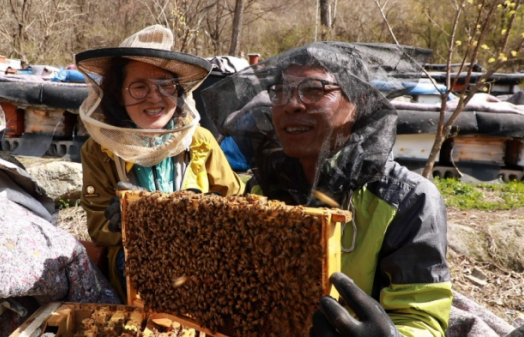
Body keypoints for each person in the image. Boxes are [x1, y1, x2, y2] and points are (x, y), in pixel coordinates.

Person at [202, 43, 453, 336]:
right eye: (281, 91)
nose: (292, 104)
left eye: (314, 89)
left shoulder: (410, 199)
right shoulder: (261, 188)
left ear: (358, 101)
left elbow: (421, 319)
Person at [75, 25, 244, 303]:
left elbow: (238, 202)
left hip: (205, 263)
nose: (155, 97)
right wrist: (119, 220)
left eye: (166, 85)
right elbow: (98, 229)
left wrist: (213, 210)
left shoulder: (200, 140)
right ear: (119, 94)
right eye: (139, 87)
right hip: (134, 264)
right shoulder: (98, 151)